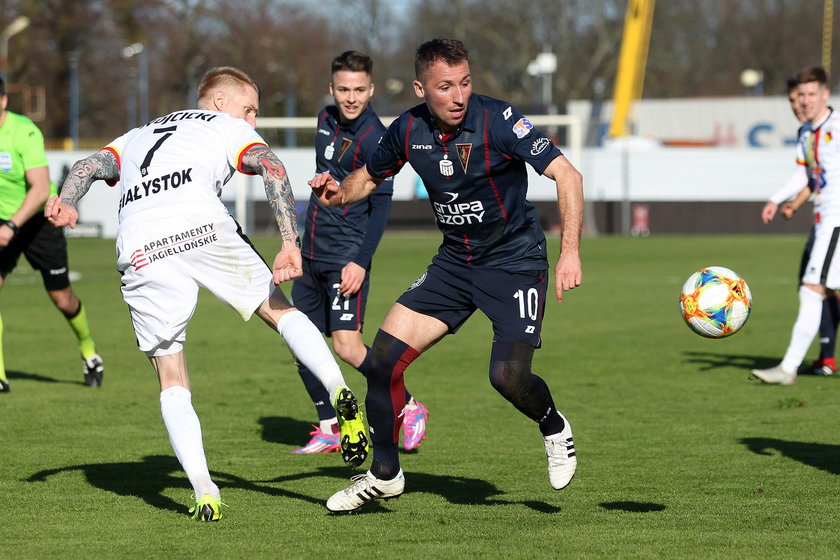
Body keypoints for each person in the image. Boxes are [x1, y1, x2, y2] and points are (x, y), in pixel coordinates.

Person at [44, 66, 369, 521]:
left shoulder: (138, 133)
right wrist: (289, 243)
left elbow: (88, 166)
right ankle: (338, 390)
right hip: (200, 221)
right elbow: (272, 166)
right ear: (219, 102)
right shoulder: (225, 125)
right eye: (250, 109)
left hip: (139, 242)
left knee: (170, 375)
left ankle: (204, 490)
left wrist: (66, 199)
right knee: (279, 311)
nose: (251, 120)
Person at [309, 38, 583, 513]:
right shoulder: (407, 128)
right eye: (445, 87)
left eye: (465, 83)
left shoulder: (498, 119)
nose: (458, 96)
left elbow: (568, 175)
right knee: (381, 362)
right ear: (421, 88)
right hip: (454, 265)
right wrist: (338, 192)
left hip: (515, 263)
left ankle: (554, 426)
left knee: (508, 377)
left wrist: (570, 252)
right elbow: (368, 178)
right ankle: (385, 474)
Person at [292, 50, 428, 454]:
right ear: (331, 89)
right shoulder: (323, 119)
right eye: (343, 89)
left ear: (370, 90)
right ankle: (330, 426)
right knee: (300, 341)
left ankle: (408, 405)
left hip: (346, 259)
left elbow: (381, 204)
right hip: (311, 252)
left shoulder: (376, 138)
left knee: (347, 347)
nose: (350, 98)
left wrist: (360, 262)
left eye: (358, 90)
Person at [0, 77, 103, 393]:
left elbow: (42, 188)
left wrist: (12, 225)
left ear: (3, 101)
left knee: (63, 299)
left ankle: (89, 351)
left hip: (38, 220)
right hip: (3, 223)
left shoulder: (24, 132)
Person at [752, 66, 840, 385]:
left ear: (825, 95)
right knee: (815, 289)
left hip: (836, 221)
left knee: (811, 289)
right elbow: (804, 174)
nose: (804, 101)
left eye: (811, 94)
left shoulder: (837, 125)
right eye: (800, 95)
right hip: (825, 219)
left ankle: (788, 368)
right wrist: (777, 199)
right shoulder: (806, 133)